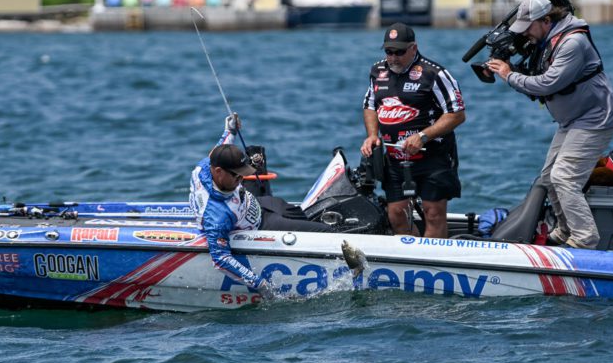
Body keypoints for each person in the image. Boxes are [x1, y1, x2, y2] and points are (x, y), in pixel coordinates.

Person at [486, 0, 613, 250]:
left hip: (594, 119)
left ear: (546, 20)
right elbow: (536, 78)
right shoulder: (547, 40)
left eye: (528, 28)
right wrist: (509, 67)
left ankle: (585, 240)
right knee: (548, 178)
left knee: (564, 177)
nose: (525, 34)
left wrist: (509, 75)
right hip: (572, 120)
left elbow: (548, 84)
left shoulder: (572, 43)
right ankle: (564, 230)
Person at [189, 114, 332, 298]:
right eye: (237, 176)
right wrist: (259, 284)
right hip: (264, 226)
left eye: (242, 175)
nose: (241, 179)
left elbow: (219, 148)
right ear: (219, 172)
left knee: (304, 215)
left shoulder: (204, 166)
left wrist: (230, 130)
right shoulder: (216, 217)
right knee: (325, 232)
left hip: (262, 204)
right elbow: (221, 259)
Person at [361, 22, 466, 237]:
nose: (393, 58)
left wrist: (423, 136)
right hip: (395, 158)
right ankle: (413, 253)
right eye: (389, 52)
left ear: (413, 48)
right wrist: (372, 135)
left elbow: (457, 114)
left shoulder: (434, 73)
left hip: (433, 156)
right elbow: (370, 105)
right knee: (396, 214)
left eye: (399, 52)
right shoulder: (377, 71)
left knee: (433, 213)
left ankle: (434, 257)